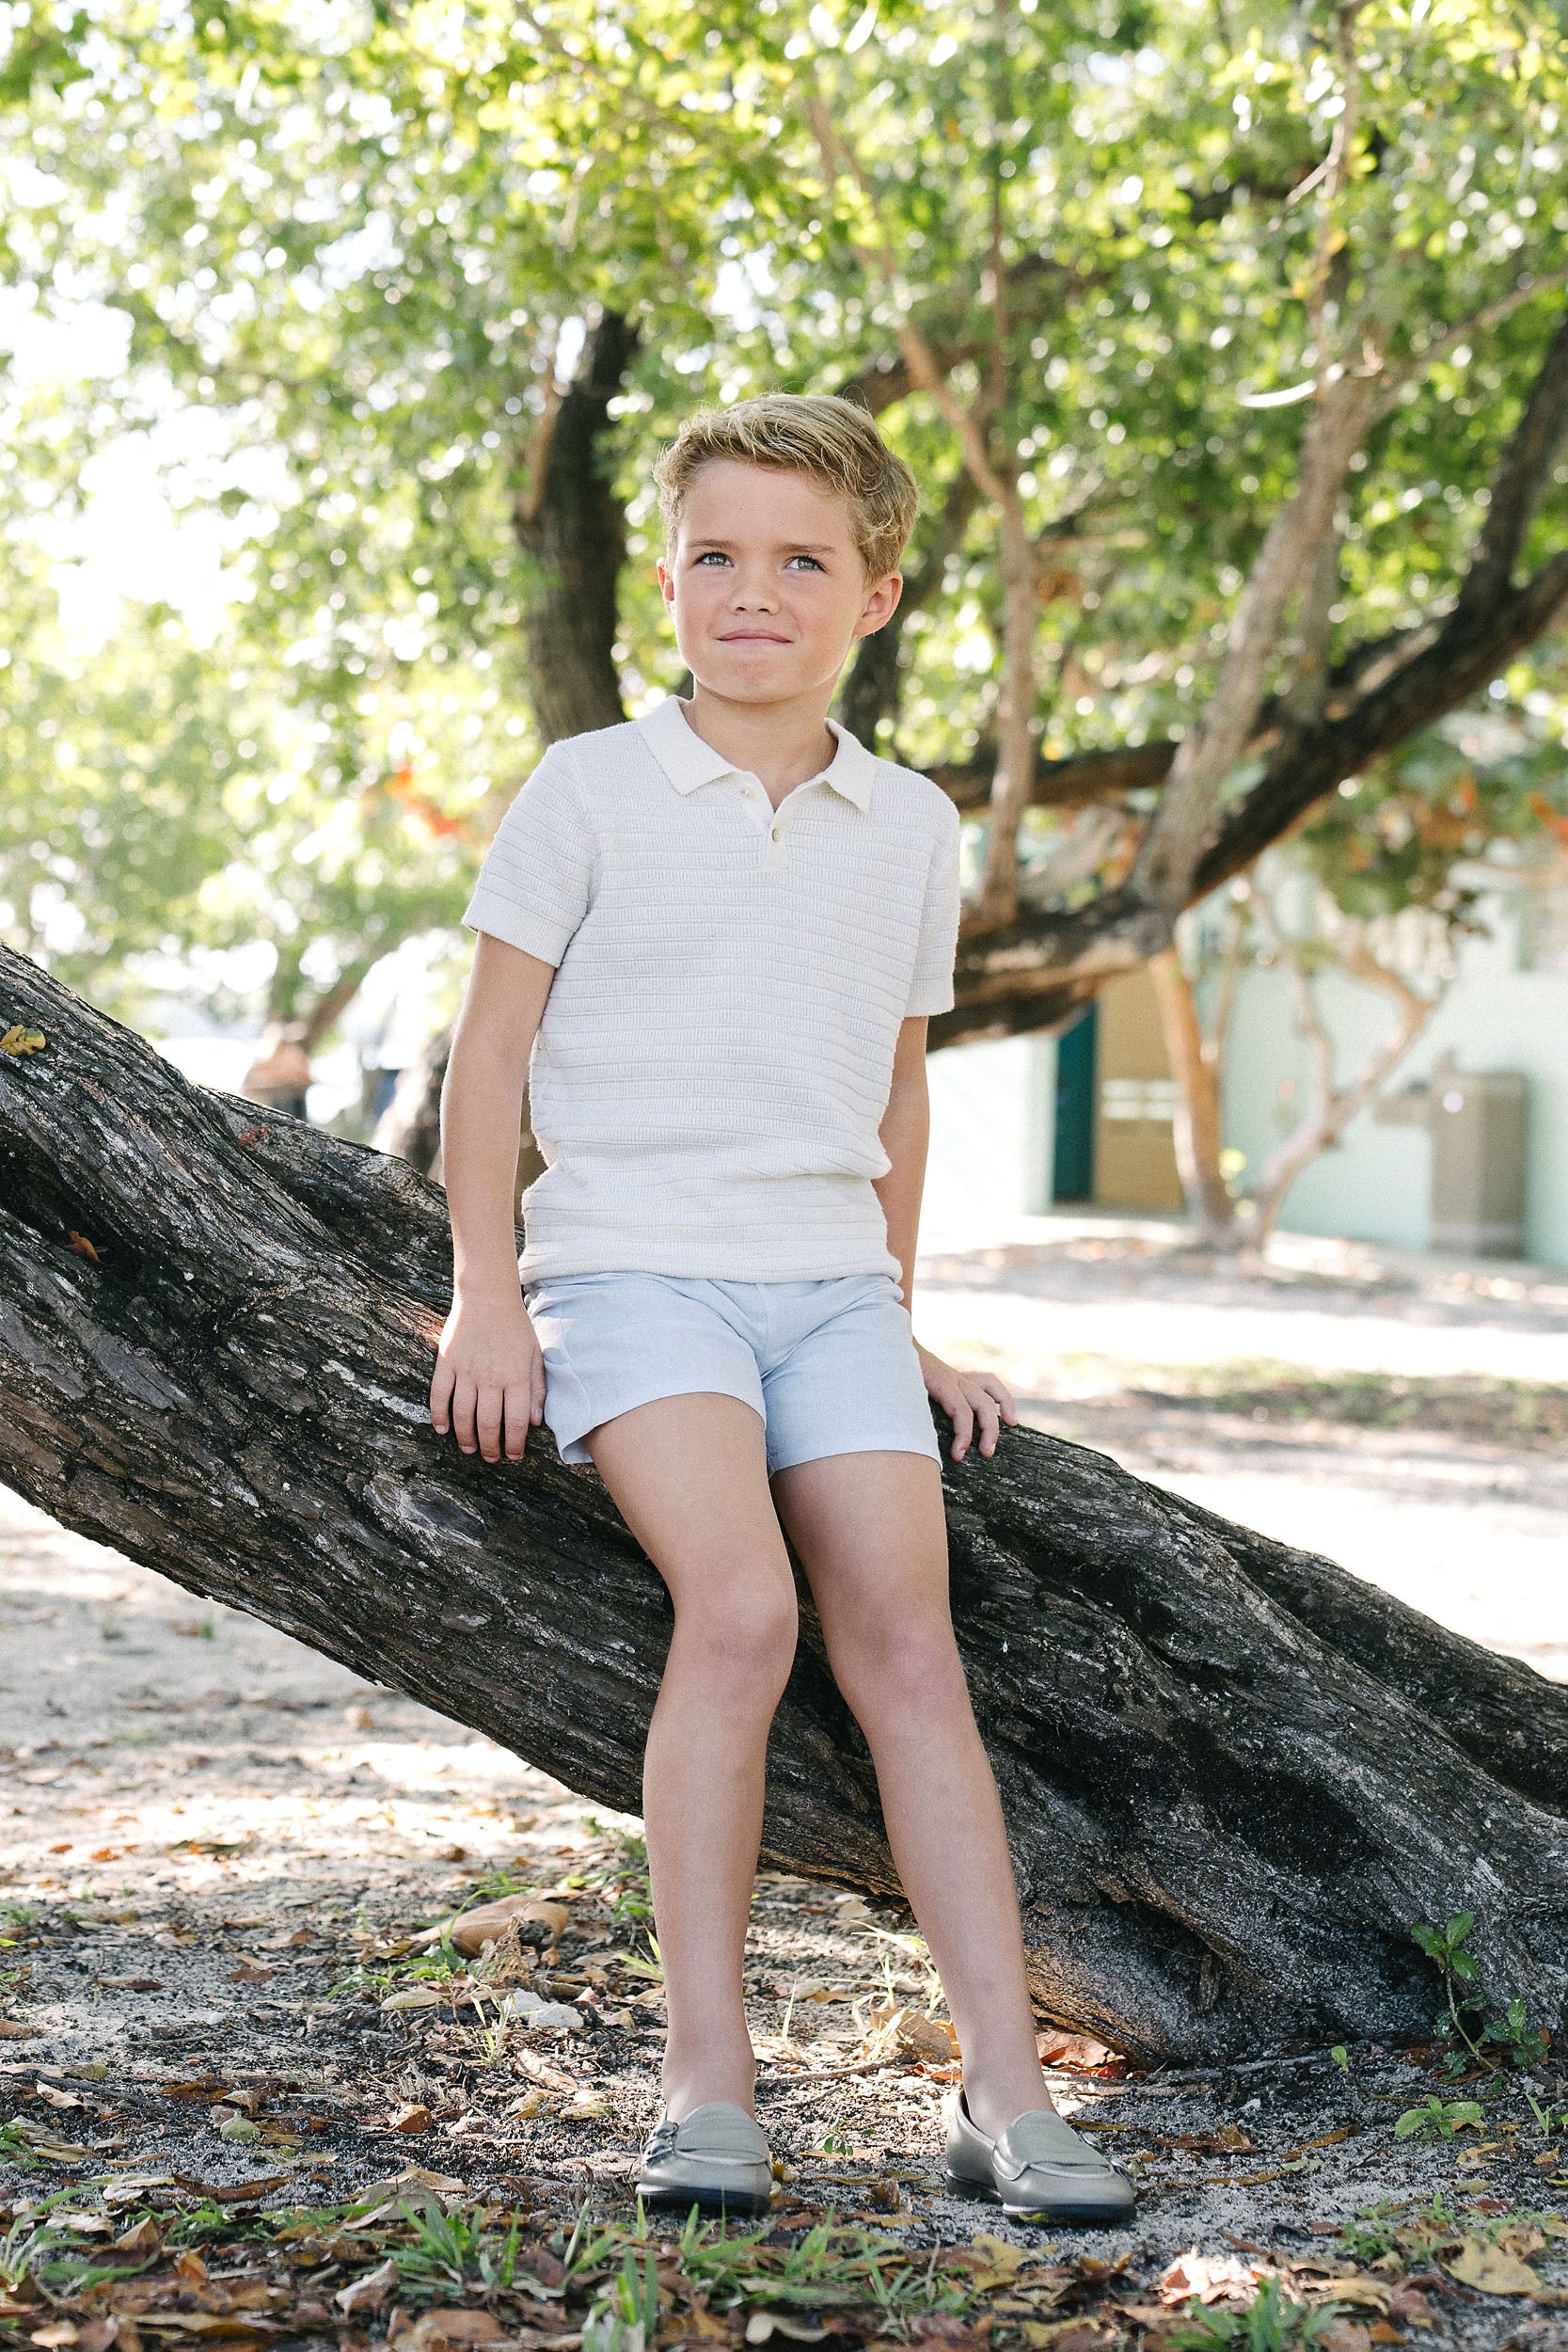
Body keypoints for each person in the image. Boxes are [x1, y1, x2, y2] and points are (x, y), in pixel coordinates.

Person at [427, 393, 1133, 2229]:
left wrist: (898, 1312)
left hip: (825, 1285)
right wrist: (486, 1290)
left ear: (879, 594)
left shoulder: (908, 823)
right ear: (665, 582)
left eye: (803, 559)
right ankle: (709, 2088)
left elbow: (891, 1088)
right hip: (633, 1268)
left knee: (908, 1636)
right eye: (718, 556)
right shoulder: (584, 789)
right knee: (742, 1605)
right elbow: (489, 1051)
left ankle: (1002, 2090)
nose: (757, 591)